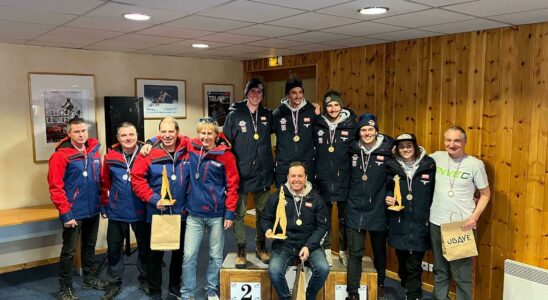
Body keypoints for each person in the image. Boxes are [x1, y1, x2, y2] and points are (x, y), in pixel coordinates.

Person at [48, 117, 108, 300]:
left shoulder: (94, 152)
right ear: (69, 134)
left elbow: (101, 180)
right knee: (70, 250)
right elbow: (55, 187)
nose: (81, 135)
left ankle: (89, 277)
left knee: (90, 246)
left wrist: (103, 203)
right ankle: (64, 287)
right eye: (77, 131)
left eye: (83, 131)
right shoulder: (61, 155)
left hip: (93, 209)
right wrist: (66, 213)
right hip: (73, 212)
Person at [181, 117, 239, 300]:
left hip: (216, 214)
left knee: (215, 255)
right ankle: (187, 293)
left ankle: (211, 289)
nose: (205, 137)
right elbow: (168, 136)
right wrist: (149, 143)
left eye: (209, 133)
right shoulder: (191, 147)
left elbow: (233, 185)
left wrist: (230, 212)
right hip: (194, 213)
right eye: (202, 133)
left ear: (216, 135)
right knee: (189, 256)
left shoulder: (226, 155)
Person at [429, 126, 490, 300]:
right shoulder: (436, 158)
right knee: (440, 269)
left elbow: (485, 194)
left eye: (456, 140)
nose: (452, 144)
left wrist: (474, 217)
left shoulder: (475, 165)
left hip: (461, 225)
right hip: (436, 222)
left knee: (462, 274)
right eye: (448, 140)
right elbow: (413, 157)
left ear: (464, 142)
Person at [131, 117, 190, 299]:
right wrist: (154, 199)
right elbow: (137, 179)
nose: (167, 135)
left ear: (177, 132)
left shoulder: (187, 150)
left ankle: (174, 286)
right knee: (154, 256)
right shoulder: (148, 153)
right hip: (158, 213)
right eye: (163, 132)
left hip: (181, 213)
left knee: (179, 254)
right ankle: (155, 291)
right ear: (159, 133)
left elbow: (206, 137)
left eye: (171, 131)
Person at [223, 78, 274, 268]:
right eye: (252, 91)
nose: (255, 95)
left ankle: (261, 246)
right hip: (241, 174)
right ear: (246, 93)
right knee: (239, 213)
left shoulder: (268, 115)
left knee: (264, 212)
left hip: (263, 173)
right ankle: (241, 249)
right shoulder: (234, 115)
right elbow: (226, 144)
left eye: (259, 92)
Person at [261, 161, 329, 300]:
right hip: (284, 244)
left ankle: (308, 297)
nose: (296, 179)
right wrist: (267, 229)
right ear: (287, 178)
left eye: (300, 176)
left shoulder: (316, 199)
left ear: (306, 178)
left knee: (323, 269)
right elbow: (265, 219)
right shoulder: (277, 196)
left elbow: (322, 227)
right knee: (274, 270)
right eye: (293, 176)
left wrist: (308, 246)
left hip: (309, 245)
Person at [345, 114, 393, 300]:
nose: (367, 133)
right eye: (363, 130)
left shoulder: (388, 150)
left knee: (379, 250)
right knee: (355, 252)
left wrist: (389, 195)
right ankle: (353, 292)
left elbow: (394, 179)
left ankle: (380, 284)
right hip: (355, 208)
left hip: (378, 208)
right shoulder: (352, 150)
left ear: (376, 131)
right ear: (359, 132)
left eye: (370, 129)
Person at [99, 122, 148, 300]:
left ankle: (145, 279)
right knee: (114, 247)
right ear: (118, 138)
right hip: (117, 209)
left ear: (137, 135)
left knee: (144, 247)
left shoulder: (146, 153)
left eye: (132, 134)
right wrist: (104, 204)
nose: (128, 138)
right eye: (124, 135)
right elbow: (105, 182)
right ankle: (113, 282)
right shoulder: (110, 157)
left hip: (140, 209)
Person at [385, 133, 436, 300]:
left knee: (414, 265)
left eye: (408, 145)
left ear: (415, 146)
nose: (405, 149)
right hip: (399, 222)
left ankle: (413, 295)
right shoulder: (391, 166)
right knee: (403, 266)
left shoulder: (429, 165)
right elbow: (385, 189)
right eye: (401, 147)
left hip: (420, 224)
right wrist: (388, 196)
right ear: (397, 149)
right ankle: (410, 288)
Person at [312, 90, 356, 267]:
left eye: (336, 105)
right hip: (323, 179)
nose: (333, 108)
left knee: (345, 219)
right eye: (329, 105)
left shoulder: (351, 125)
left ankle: (344, 251)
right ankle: (327, 250)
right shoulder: (318, 124)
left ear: (341, 106)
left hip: (345, 179)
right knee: (325, 218)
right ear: (325, 107)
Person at [272, 78, 318, 187]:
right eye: (294, 93)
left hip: (306, 164)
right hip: (285, 165)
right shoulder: (278, 113)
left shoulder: (312, 111)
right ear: (287, 95)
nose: (298, 96)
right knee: (284, 200)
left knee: (306, 198)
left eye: (300, 92)